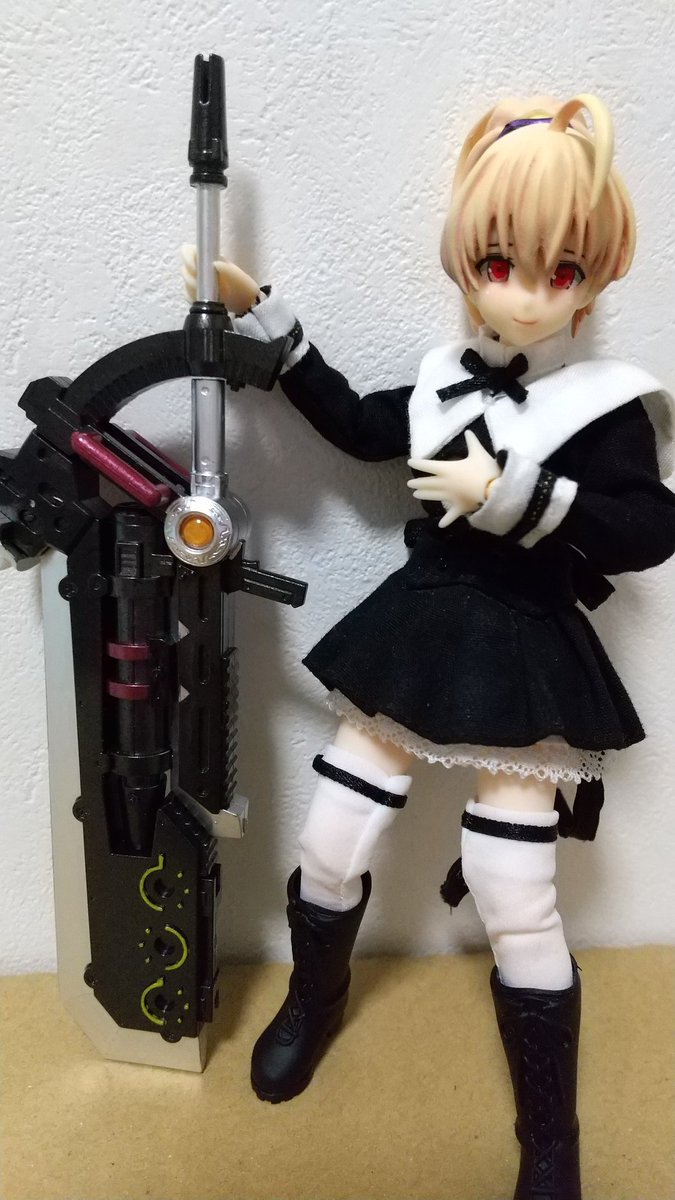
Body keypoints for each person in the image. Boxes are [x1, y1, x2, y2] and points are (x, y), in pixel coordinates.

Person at [183, 92, 675, 1200]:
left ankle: (550, 1131)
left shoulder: (605, 406)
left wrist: (518, 496)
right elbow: (360, 424)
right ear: (465, 261)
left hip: (529, 645)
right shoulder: (447, 378)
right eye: (500, 261)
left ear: (594, 279)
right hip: (421, 627)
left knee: (513, 888)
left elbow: (650, 529)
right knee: (332, 837)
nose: (525, 292)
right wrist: (270, 322)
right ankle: (314, 999)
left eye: (560, 270)